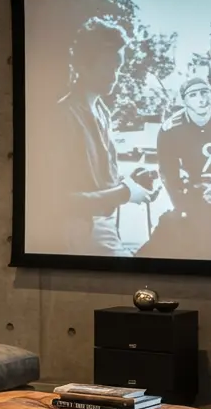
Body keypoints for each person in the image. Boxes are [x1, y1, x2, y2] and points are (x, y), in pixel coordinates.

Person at [55, 18, 154, 254]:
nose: (115, 75)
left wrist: (131, 181)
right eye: (108, 66)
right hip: (80, 230)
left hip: (104, 227)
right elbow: (58, 200)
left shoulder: (102, 111)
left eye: (118, 68)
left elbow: (97, 180)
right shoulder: (62, 116)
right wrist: (125, 193)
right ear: (83, 66)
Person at [140, 74, 211, 257]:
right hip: (191, 194)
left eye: (205, 92)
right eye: (193, 94)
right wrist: (182, 203)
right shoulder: (171, 128)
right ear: (184, 99)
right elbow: (168, 172)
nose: (201, 99)